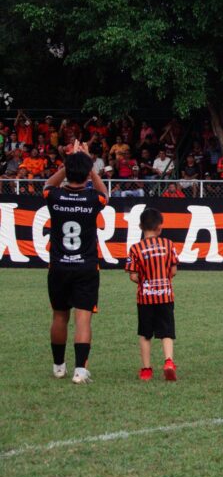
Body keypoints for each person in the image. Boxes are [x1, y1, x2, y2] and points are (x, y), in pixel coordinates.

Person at [42, 141, 109, 384]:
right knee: (83, 318)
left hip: (59, 265)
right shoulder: (93, 199)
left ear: (67, 172)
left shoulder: (55, 195)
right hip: (86, 266)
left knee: (59, 316)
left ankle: (59, 366)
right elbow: (105, 194)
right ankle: (80, 370)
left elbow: (48, 184)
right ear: (88, 173)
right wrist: (88, 163)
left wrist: (69, 162)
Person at [125, 208, 179, 381]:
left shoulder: (135, 249)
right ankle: (169, 362)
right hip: (165, 295)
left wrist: (145, 280)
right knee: (167, 332)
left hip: (145, 297)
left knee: (145, 334)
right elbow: (174, 270)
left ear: (141, 226)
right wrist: (162, 278)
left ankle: (146, 369)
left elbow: (133, 275)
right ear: (159, 227)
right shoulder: (169, 245)